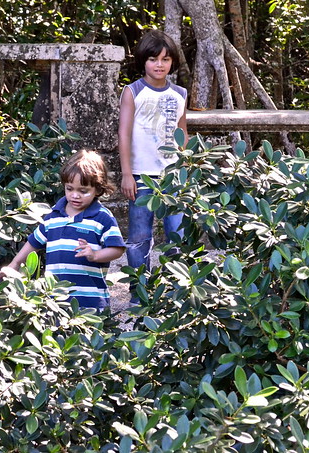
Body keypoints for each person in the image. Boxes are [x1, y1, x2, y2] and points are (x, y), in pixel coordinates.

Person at [0, 150, 126, 311]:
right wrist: (14, 265)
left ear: (98, 190)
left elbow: (117, 249)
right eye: (69, 189)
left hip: (90, 300)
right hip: (54, 300)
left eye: (83, 191)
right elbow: (34, 242)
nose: (75, 195)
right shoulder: (53, 216)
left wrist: (95, 255)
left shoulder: (102, 217)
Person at [118, 29, 188, 284]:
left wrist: (186, 172)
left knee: (177, 237)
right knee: (138, 238)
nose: (159, 65)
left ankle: (175, 292)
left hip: (173, 178)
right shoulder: (133, 92)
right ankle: (141, 292)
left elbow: (182, 135)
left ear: (173, 62)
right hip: (141, 177)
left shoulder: (179, 94)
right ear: (143, 61)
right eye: (153, 59)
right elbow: (124, 134)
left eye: (165, 59)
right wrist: (127, 174)